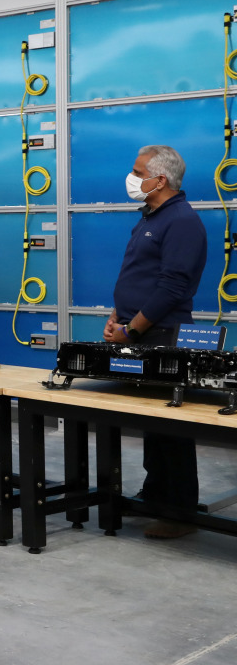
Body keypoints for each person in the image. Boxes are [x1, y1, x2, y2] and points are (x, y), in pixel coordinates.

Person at [103, 144, 207, 540]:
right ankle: (154, 494)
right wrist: (118, 316)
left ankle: (179, 513)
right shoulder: (151, 215)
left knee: (172, 429)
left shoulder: (181, 222)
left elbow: (171, 288)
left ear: (159, 179)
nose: (131, 178)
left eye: (137, 171)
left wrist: (133, 330)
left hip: (165, 336)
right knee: (152, 424)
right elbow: (138, 273)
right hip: (139, 331)